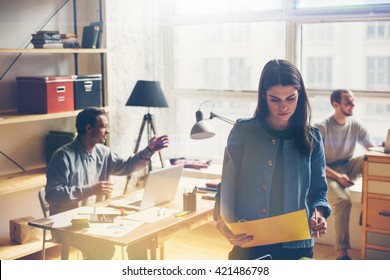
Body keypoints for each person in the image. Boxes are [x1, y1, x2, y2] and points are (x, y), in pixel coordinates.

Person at [213, 59, 331, 260]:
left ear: (299, 95)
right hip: (249, 240)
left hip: (296, 245)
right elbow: (227, 187)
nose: (283, 106)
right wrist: (222, 222)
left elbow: (318, 191)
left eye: (290, 98)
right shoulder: (243, 131)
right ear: (263, 97)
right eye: (275, 99)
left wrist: (318, 213)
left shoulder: (312, 137)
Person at [45, 107, 169, 259]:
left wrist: (149, 150)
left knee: (139, 236)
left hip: (96, 218)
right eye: (104, 127)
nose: (107, 131)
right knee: (103, 248)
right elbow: (52, 195)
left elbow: (128, 166)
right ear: (89, 128)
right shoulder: (62, 157)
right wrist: (90, 189)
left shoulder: (103, 152)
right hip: (69, 224)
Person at [314, 89, 374, 260]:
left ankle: (369, 208)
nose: (353, 105)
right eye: (348, 102)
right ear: (336, 105)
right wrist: (338, 177)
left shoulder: (355, 124)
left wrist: (383, 146)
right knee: (343, 201)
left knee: (369, 160)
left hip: (346, 166)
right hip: (325, 171)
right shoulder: (321, 127)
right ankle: (342, 253)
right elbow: (314, 163)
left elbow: (371, 148)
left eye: (353, 101)